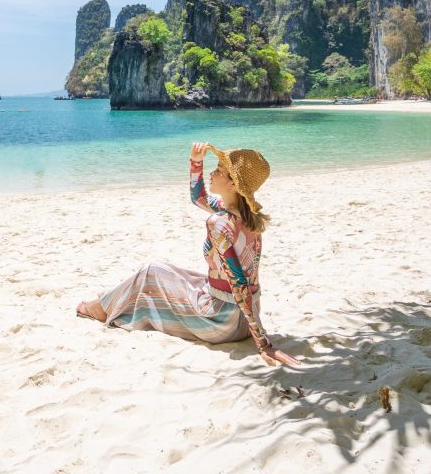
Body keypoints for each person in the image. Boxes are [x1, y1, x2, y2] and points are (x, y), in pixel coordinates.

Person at [76, 141, 300, 367]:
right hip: (243, 316)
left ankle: (100, 308)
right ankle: (108, 301)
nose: (213, 173)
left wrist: (264, 345)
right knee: (171, 272)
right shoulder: (246, 214)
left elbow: (239, 283)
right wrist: (196, 162)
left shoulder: (219, 223)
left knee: (152, 270)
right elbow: (198, 198)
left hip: (220, 320)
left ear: (232, 183)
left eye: (219, 171)